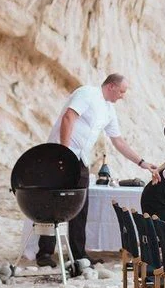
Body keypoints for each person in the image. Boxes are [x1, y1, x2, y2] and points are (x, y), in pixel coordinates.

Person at [37, 73, 157, 268]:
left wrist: (142, 162)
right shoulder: (87, 93)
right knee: (53, 203)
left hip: (80, 161)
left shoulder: (109, 110)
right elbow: (69, 117)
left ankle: (78, 254)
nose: (123, 96)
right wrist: (65, 153)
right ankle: (45, 253)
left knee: (80, 206)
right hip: (59, 155)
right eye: (122, 91)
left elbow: (118, 141)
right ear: (110, 86)